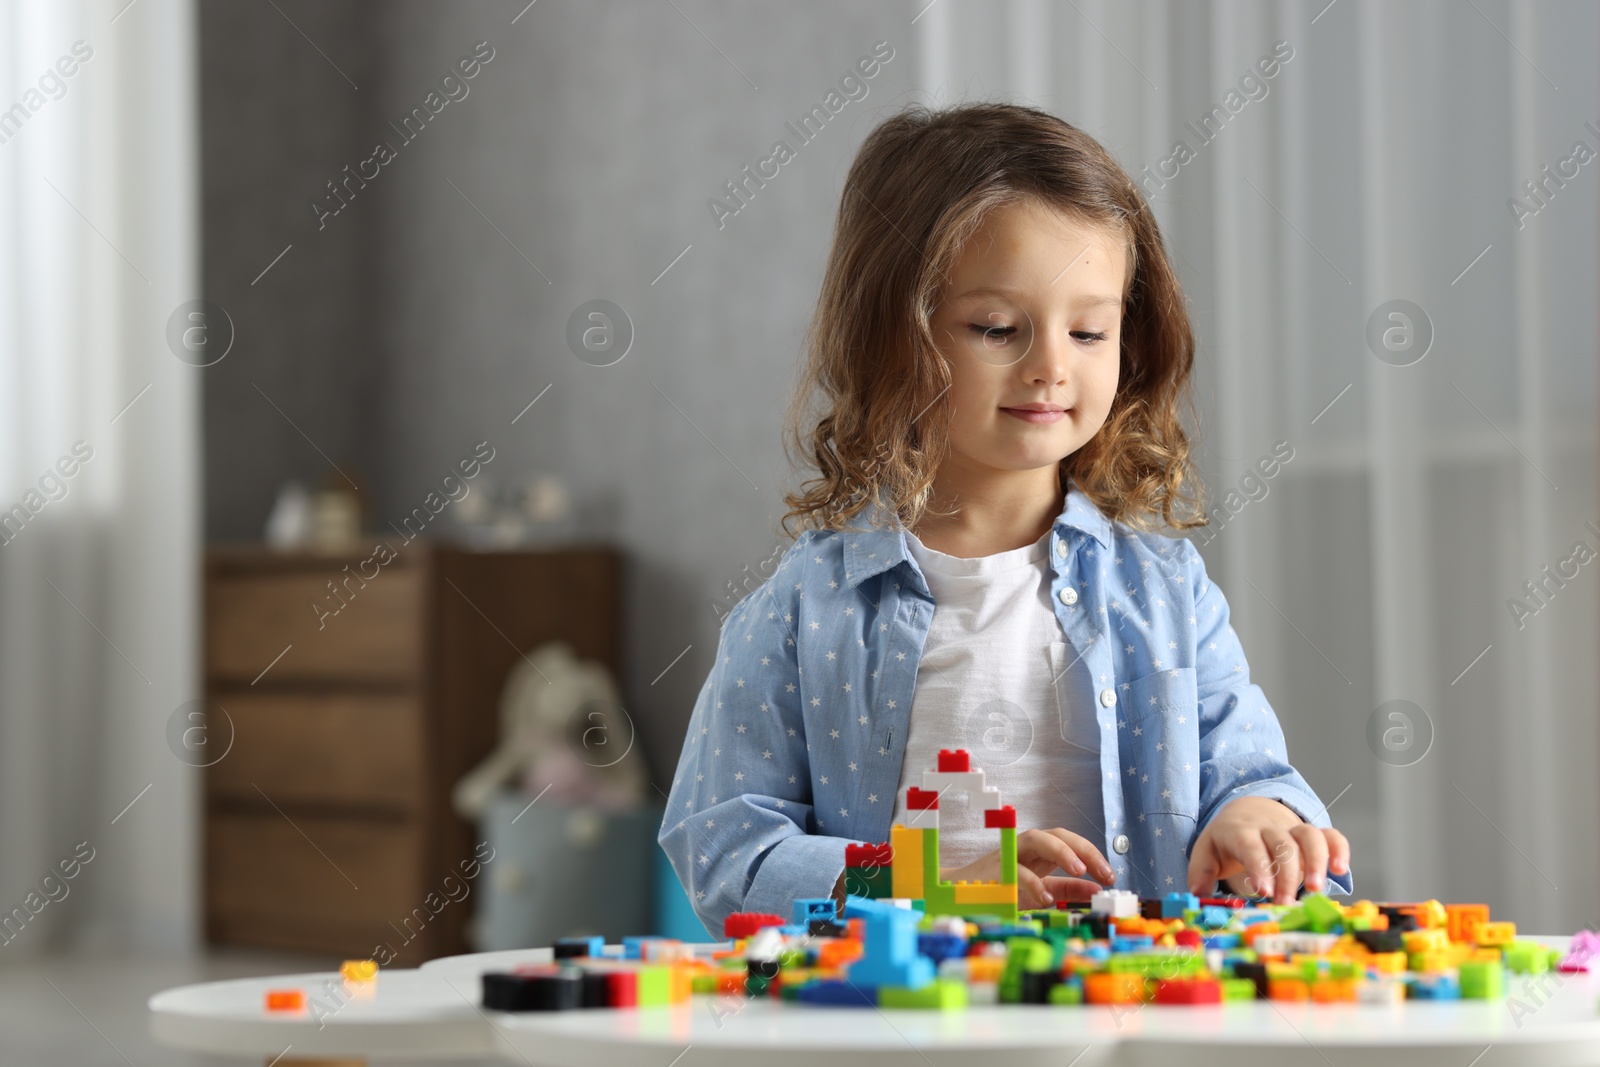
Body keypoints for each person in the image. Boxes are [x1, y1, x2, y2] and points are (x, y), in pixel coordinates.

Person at [659, 102, 1351, 939]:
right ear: (892, 340)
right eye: (996, 328)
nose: (1053, 366)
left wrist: (1259, 820)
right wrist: (933, 878)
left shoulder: (1168, 594)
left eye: (1090, 330)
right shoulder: (807, 607)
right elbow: (723, 846)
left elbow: (1250, 774)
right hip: (906, 1017)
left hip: (1125, 1012)